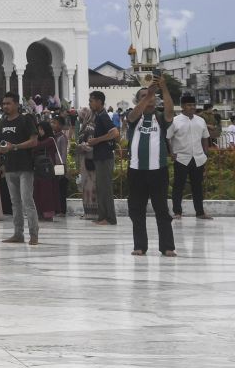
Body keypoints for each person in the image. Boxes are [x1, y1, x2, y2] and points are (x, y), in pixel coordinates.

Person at [125, 78, 177, 257]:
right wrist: (149, 94)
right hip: (136, 171)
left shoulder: (161, 118)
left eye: (151, 96)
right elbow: (132, 116)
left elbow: (170, 111)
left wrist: (163, 88)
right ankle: (139, 246)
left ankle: (167, 246)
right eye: (143, 96)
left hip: (158, 171)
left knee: (162, 209)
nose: (149, 98)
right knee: (137, 210)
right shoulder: (134, 118)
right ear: (138, 100)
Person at [0, 92, 40, 245]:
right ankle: (18, 233)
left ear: (17, 104)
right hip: (9, 167)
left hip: (25, 166)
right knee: (15, 202)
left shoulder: (25, 120)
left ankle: (33, 234)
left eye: (8, 103)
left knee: (27, 200)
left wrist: (14, 147)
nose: (5, 106)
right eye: (4, 103)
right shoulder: (1, 123)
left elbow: (34, 141)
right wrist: (1, 149)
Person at [168, 94, 213, 220]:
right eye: (189, 105)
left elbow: (205, 138)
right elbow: (168, 138)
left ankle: (200, 212)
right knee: (179, 186)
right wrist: (172, 153)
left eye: (193, 105)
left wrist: (205, 153)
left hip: (198, 158)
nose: (192, 107)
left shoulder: (200, 120)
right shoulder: (175, 121)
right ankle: (177, 212)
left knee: (197, 186)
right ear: (182, 106)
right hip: (181, 158)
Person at [85, 91, 120, 226]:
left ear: (99, 102)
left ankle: (109, 218)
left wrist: (97, 140)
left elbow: (115, 132)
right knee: (101, 187)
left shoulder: (104, 116)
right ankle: (102, 216)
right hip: (100, 156)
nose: (90, 103)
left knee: (105, 188)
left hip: (105, 157)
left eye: (92, 101)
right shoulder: (98, 116)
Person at [32, 122, 61, 222]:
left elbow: (37, 146)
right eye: (38, 129)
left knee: (47, 192)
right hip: (39, 170)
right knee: (38, 192)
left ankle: (47, 214)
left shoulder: (50, 140)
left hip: (48, 171)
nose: (39, 131)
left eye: (41, 129)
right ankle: (39, 213)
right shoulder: (41, 140)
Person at [75, 106, 98, 221]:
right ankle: (89, 212)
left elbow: (90, 145)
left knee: (90, 187)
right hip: (86, 160)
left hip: (89, 161)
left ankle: (91, 213)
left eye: (80, 115)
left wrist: (80, 146)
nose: (79, 117)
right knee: (87, 187)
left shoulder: (89, 127)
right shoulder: (86, 126)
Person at [51, 116, 70, 217]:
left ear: (61, 125)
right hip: (54, 166)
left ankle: (62, 210)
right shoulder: (53, 137)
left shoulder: (62, 138)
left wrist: (62, 166)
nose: (53, 124)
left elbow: (63, 153)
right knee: (56, 188)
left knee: (61, 188)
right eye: (52, 122)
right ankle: (57, 209)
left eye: (55, 123)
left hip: (60, 166)